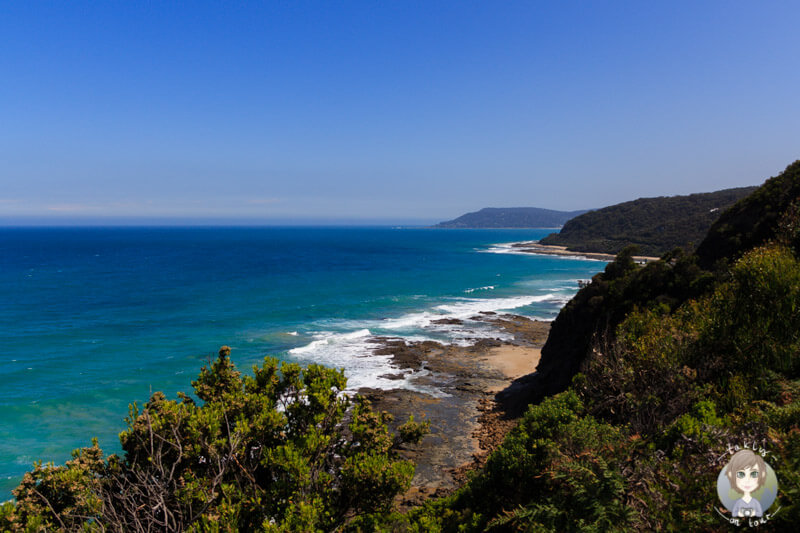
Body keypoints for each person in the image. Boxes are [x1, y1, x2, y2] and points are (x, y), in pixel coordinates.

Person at [725, 449, 767, 518]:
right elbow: (734, 513)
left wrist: (753, 513)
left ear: (762, 475)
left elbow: (759, 513)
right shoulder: (739, 502)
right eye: (741, 474)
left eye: (754, 474)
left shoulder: (755, 502)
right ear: (730, 475)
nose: (747, 480)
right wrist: (739, 513)